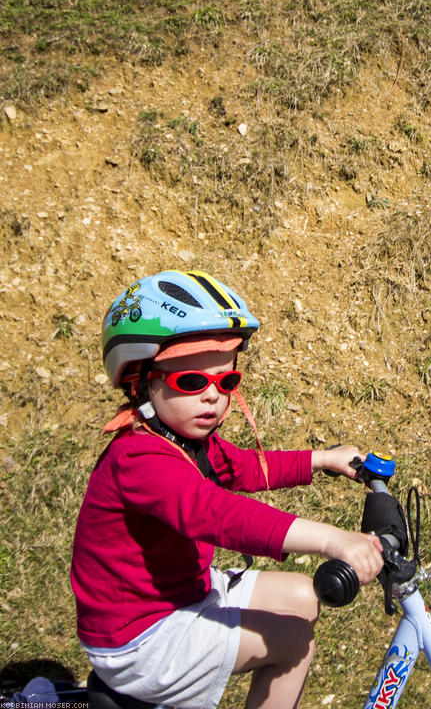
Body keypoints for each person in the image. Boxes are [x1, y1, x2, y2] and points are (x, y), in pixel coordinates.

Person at [71, 269, 384, 709]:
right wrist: (331, 539)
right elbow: (220, 515)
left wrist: (321, 459)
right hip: (138, 637)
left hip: (183, 593)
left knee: (302, 600)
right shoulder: (138, 460)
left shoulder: (187, 441)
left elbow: (243, 467)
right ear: (141, 381)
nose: (213, 396)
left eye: (226, 381)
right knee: (294, 638)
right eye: (193, 382)